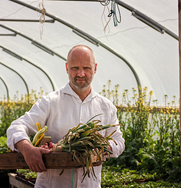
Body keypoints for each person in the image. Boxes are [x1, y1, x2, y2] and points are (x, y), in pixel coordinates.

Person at [7, 45, 125, 188]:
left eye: (86, 68)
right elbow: (16, 127)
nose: (81, 74)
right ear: (67, 67)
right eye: (75, 68)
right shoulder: (50, 102)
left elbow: (119, 141)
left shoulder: (105, 107)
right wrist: (27, 149)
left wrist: (104, 149)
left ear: (95, 68)